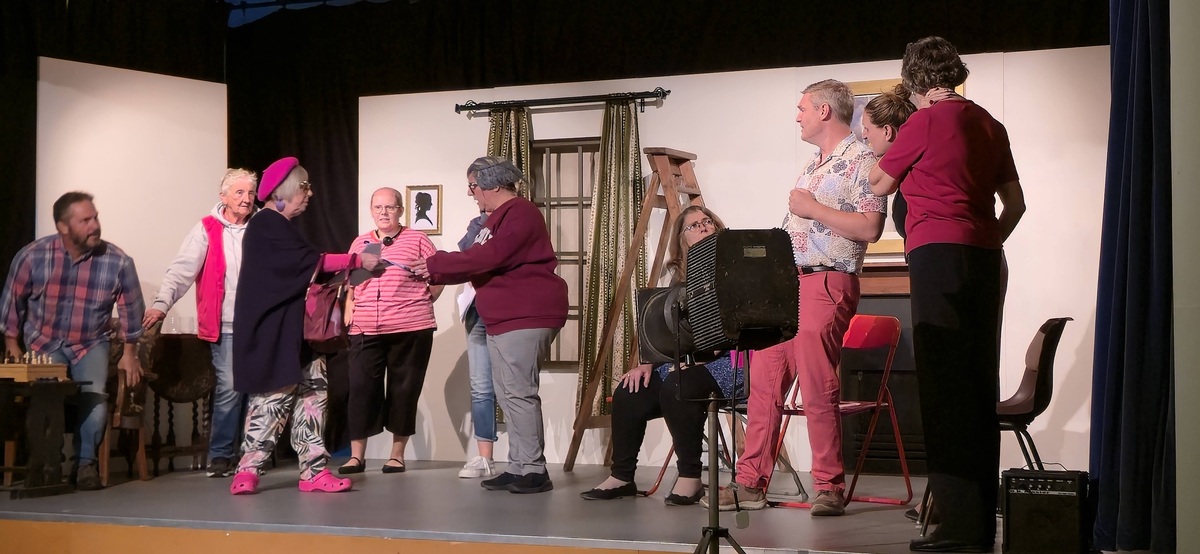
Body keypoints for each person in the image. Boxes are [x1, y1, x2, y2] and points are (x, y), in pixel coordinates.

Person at [869, 37, 1025, 552]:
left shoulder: (923, 122)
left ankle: (954, 530)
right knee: (979, 388)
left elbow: (878, 184)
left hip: (937, 255)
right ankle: (977, 525)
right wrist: (982, 239)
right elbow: (1016, 205)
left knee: (943, 389)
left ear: (916, 81)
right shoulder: (989, 123)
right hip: (984, 258)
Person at [707, 79, 886, 516]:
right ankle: (751, 482)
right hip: (789, 284)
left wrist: (813, 209)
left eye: (802, 107)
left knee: (817, 383)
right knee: (764, 381)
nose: (797, 115)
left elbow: (870, 228)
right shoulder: (812, 165)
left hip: (827, 281)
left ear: (825, 110)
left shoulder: (862, 160)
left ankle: (828, 485)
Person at [410, 156, 567, 495]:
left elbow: (490, 257)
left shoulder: (520, 212)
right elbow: (474, 255)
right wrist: (436, 267)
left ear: (494, 185)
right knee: (508, 393)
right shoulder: (492, 220)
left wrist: (435, 263)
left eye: (473, 186)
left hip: (525, 313)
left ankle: (535, 470)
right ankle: (519, 466)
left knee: (519, 391)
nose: (472, 194)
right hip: (504, 315)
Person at [227, 156, 379, 496]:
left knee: (313, 398)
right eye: (304, 187)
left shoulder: (281, 226)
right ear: (285, 191)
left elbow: (308, 269)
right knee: (272, 398)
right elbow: (304, 264)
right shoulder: (266, 224)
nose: (309, 194)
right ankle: (248, 469)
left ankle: (313, 471)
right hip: (275, 332)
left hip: (299, 333)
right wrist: (355, 260)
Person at [579, 205, 743, 506]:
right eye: (693, 225)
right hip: (685, 364)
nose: (703, 226)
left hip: (730, 363)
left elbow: (738, 328)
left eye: (707, 222)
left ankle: (690, 478)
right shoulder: (680, 279)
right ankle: (622, 476)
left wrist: (699, 359)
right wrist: (646, 363)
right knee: (630, 390)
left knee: (679, 384)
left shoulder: (736, 268)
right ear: (682, 239)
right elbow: (668, 331)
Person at [1, 191, 146, 491]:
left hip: (89, 342)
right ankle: (46, 464)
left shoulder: (117, 261)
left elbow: (132, 308)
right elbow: (12, 300)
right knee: (45, 395)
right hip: (44, 342)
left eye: (95, 218)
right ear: (63, 227)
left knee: (94, 395)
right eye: (85, 220)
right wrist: (12, 344)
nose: (94, 225)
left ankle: (85, 465)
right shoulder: (32, 256)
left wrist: (129, 352)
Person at [142, 168, 257, 478]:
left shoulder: (262, 226)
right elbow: (181, 271)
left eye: (250, 193)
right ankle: (220, 455)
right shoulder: (207, 228)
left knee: (256, 391)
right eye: (239, 193)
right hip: (228, 324)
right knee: (231, 388)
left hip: (259, 325)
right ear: (224, 197)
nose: (246, 199)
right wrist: (161, 305)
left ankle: (250, 456)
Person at [336, 187, 442, 475]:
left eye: (390, 207)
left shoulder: (418, 239)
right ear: (371, 211)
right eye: (378, 207)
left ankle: (397, 455)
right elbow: (351, 285)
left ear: (401, 211)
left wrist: (421, 301)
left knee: (403, 390)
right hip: (365, 328)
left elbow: (438, 275)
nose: (384, 213)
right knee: (360, 390)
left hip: (411, 327)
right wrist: (350, 310)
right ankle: (357, 456)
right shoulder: (360, 242)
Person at [455, 207, 497, 479]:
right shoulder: (476, 224)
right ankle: (485, 459)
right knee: (481, 387)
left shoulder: (516, 220)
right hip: (477, 311)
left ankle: (525, 458)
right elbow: (465, 258)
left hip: (508, 310)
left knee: (515, 388)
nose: (475, 194)